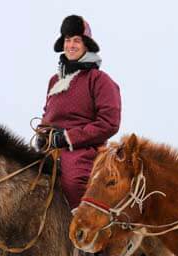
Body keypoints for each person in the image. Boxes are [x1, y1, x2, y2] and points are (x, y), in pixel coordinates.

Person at [40, 15, 121, 211]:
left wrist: (68, 137)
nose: (71, 45)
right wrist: (43, 134)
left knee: (74, 183)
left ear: (86, 45)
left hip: (84, 151)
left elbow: (109, 123)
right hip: (51, 149)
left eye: (77, 40)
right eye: (68, 40)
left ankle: (82, 235)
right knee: (27, 180)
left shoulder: (100, 80)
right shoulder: (54, 81)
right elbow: (47, 113)